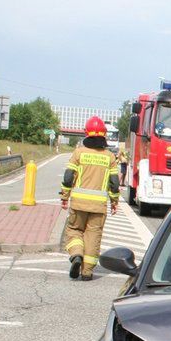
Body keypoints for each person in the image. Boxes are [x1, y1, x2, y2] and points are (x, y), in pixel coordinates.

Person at [60, 116, 120, 281]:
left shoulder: (78, 153)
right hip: (98, 207)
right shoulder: (109, 157)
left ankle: (76, 254)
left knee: (74, 230)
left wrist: (65, 197)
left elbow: (68, 177)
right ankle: (87, 272)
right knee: (93, 236)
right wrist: (114, 202)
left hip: (78, 203)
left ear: (87, 134)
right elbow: (114, 183)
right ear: (104, 135)